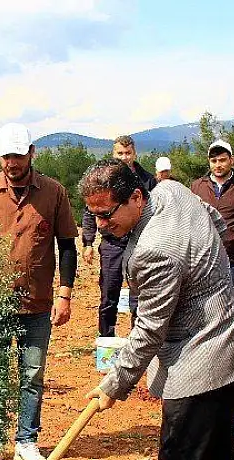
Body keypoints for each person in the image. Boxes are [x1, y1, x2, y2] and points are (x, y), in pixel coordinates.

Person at [78, 159, 234, 460]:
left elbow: (149, 331)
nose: (101, 225)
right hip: (229, 340)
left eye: (108, 214)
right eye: (95, 215)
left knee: (178, 457)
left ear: (136, 197)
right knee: (215, 447)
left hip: (199, 356)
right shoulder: (173, 191)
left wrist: (114, 383)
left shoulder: (155, 249)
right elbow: (215, 220)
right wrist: (206, 268)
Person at [0, 122, 78, 460]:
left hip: (38, 301)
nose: (11, 163)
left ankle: (27, 440)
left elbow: (67, 245)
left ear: (32, 153)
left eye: (18, 155)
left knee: (32, 373)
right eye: (6, 156)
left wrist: (65, 294)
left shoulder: (54, 193)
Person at [81, 135, 155, 338]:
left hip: (140, 243)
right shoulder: (100, 180)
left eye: (128, 153)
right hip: (112, 244)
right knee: (108, 293)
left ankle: (138, 340)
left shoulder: (147, 179)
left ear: (134, 153)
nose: (124, 157)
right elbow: (90, 212)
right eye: (119, 153)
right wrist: (88, 242)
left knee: (139, 296)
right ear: (113, 154)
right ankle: (106, 339)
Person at [190, 140, 234, 292]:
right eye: (213, 161)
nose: (218, 165)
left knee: (229, 306)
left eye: (222, 160)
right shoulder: (197, 186)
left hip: (232, 260)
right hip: (201, 260)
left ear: (232, 160)